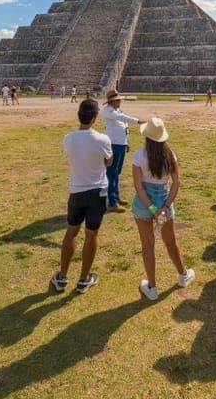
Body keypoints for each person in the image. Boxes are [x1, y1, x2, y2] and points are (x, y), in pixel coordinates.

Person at [51, 99, 113, 294]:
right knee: (91, 235)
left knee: (71, 232)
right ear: (95, 117)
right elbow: (109, 162)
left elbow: (71, 157)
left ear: (79, 115)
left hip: (77, 190)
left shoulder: (68, 138)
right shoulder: (103, 139)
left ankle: (62, 276)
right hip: (97, 191)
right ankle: (84, 278)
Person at [131, 116, 195, 300]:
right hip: (164, 198)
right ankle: (183, 275)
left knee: (147, 245)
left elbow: (138, 186)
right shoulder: (170, 155)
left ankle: (151, 287)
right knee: (171, 242)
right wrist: (165, 206)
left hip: (144, 202)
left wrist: (152, 208)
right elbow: (176, 182)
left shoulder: (138, 156)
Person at [101, 89, 141, 212]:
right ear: (112, 101)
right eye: (117, 100)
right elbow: (122, 118)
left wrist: (126, 142)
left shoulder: (117, 110)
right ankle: (112, 202)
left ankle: (116, 197)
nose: (120, 102)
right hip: (113, 145)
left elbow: (124, 126)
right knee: (112, 173)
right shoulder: (108, 111)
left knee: (117, 173)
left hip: (120, 144)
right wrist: (138, 121)